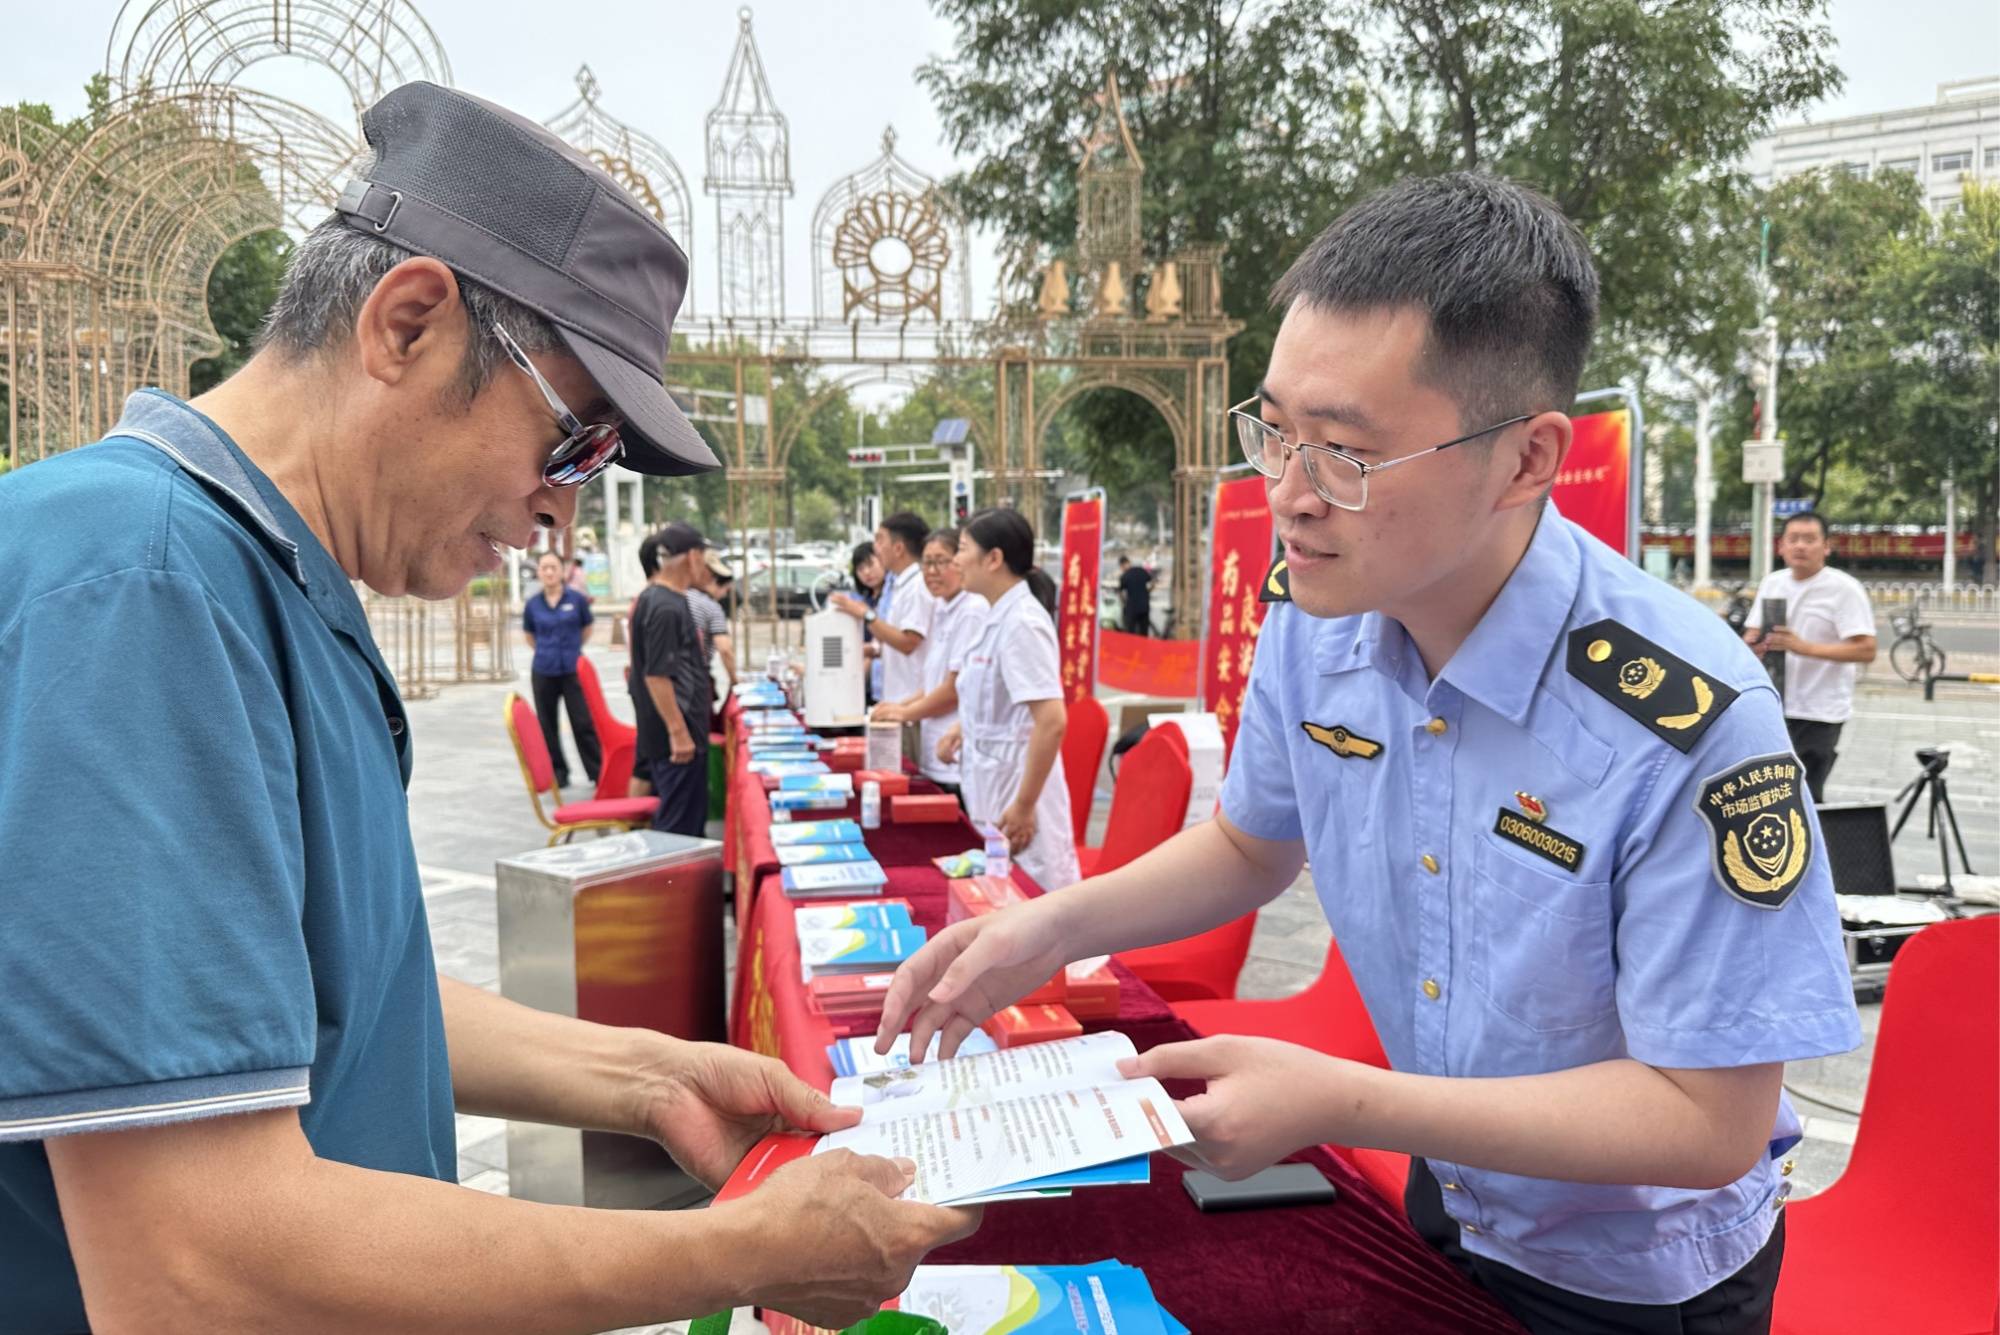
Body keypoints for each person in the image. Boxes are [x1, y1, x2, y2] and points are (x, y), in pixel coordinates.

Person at [0, 82, 973, 1334]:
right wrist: (732, 1257)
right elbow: (197, 1260)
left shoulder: (259, 573)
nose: (557, 520)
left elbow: (317, 1003)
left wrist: (645, 1074)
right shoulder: (140, 585)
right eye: (571, 447)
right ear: (406, 324)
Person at [876, 174, 1860, 1335]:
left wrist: (1349, 1100)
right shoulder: (1319, 618)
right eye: (1273, 434)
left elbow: (1706, 1124)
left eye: (1341, 453)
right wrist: (1049, 926)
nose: (1285, 498)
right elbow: (1250, 842)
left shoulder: (1682, 722)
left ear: (1524, 461)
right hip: (1448, 1180)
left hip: (1633, 1270)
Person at [934, 508, 1081, 892]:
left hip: (1019, 795)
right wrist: (964, 727)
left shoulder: (1023, 624)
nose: (955, 561)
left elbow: (1052, 721)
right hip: (994, 788)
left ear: (994, 559)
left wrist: (1025, 804)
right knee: (1005, 897)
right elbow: (999, 699)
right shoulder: (995, 615)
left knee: (1036, 901)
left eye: (962, 550)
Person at [1742, 512, 1876, 803]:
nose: (1800, 546)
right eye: (1793, 539)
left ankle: (1814, 848)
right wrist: (1751, 647)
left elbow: (1866, 649)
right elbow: (1752, 633)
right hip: (1774, 706)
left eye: (1809, 539)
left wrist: (1803, 647)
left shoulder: (1844, 589)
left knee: (1806, 798)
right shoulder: (1773, 583)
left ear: (1826, 546)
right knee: (1767, 794)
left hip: (1820, 712)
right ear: (1781, 546)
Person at [871, 527, 988, 801]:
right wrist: (900, 706)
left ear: (959, 562)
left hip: (955, 758)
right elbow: (933, 684)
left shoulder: (971, 611)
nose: (932, 571)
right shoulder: (942, 608)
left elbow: (953, 690)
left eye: (941, 561)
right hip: (934, 750)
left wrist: (904, 714)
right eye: (927, 562)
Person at [631, 523, 716, 836]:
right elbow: (656, 676)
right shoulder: (665, 607)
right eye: (704, 557)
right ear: (692, 557)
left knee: (687, 821)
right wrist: (678, 732)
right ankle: (671, 886)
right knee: (678, 829)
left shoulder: (661, 598)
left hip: (678, 735)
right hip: (677, 742)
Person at [832, 513, 934, 712]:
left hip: (911, 701)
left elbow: (908, 642)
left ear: (898, 548)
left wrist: (866, 614)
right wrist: (869, 649)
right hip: (898, 699)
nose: (876, 548)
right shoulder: (899, 585)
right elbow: (894, 637)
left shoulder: (917, 586)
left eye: (879, 540)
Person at [522, 549, 602, 791]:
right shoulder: (533, 604)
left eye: (553, 567)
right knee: (547, 724)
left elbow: (586, 629)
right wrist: (546, 650)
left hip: (572, 669)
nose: (548, 572)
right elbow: (529, 635)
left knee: (583, 722)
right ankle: (559, 773)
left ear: (562, 570)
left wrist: (572, 648)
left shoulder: (576, 599)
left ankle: (597, 771)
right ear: (539, 572)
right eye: (544, 567)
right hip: (543, 670)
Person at [690, 548, 740, 706]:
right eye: (726, 589)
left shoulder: (681, 597)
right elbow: (725, 649)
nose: (725, 595)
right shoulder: (711, 607)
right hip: (696, 681)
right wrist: (734, 680)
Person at [848, 540, 886, 703]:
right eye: (860, 569)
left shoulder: (891, 597)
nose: (867, 573)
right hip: (868, 682)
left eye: (870, 565)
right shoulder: (863, 600)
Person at [1116, 554, 1154, 636]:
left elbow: (1120, 592)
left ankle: (1133, 648)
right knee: (1144, 633)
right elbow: (1153, 583)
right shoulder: (1141, 570)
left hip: (1132, 608)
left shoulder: (1124, 576)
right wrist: (1147, 592)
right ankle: (1144, 647)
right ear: (1129, 562)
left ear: (1122, 565)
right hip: (1144, 607)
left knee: (1131, 634)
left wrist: (1124, 602)